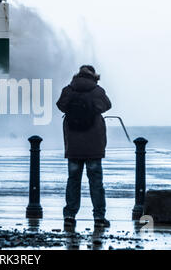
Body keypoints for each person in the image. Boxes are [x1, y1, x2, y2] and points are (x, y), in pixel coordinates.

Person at [56, 65, 112, 228]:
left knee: (73, 179)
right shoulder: (97, 91)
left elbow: (60, 105)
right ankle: (99, 217)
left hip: (74, 144)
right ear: (93, 76)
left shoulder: (68, 90)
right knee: (96, 181)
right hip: (93, 144)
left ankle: (70, 216)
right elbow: (107, 105)